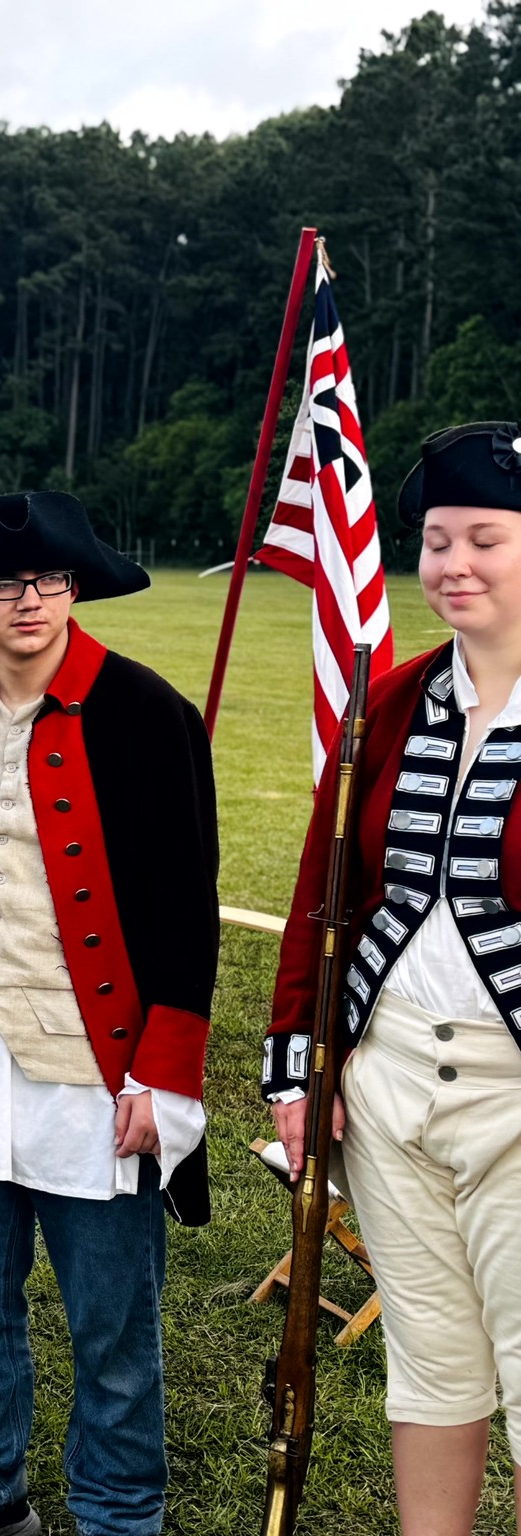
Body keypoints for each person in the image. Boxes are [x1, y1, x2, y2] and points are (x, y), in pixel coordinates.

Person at [0, 491, 218, 1536]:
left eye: (48, 579)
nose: (29, 600)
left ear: (74, 586)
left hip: (95, 1071)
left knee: (110, 1329)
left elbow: (182, 910)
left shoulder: (148, 713)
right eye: (4, 583)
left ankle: (115, 1513)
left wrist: (163, 1073)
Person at [269, 421, 521, 1536]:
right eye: (434, 541)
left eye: (485, 540)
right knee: (429, 1364)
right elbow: (320, 899)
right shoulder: (392, 700)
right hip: (386, 1083)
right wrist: (297, 1073)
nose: (452, 565)